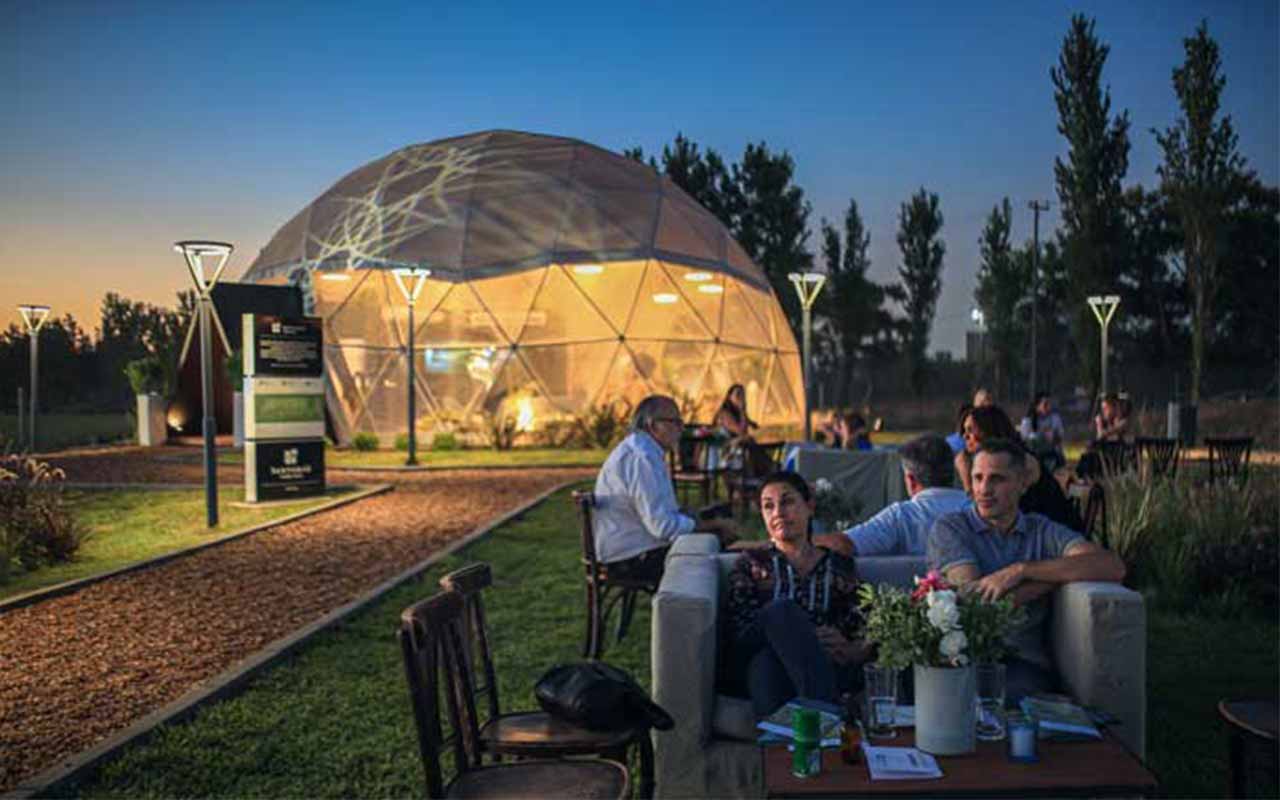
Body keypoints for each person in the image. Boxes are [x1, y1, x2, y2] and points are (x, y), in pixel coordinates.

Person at [928, 438, 1125, 702]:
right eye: (978, 478)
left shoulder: (1041, 530)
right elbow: (978, 604)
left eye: (997, 479)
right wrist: (1051, 581)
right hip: (961, 657)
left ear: (1022, 484)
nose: (984, 489)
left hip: (1022, 664)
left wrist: (1021, 570)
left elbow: (1112, 566)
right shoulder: (950, 528)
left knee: (1006, 699)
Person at [723, 471, 871, 717]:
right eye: (768, 506)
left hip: (814, 667)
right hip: (752, 655)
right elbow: (739, 628)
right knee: (780, 612)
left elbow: (865, 622)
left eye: (787, 502)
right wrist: (802, 635)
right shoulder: (752, 562)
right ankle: (825, 716)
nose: (778, 513)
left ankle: (789, 736)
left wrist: (849, 646)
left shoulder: (838, 566)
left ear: (810, 507)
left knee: (767, 667)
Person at [593, 395, 738, 584]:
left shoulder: (643, 450)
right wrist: (712, 526)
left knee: (719, 524)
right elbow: (662, 527)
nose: (681, 429)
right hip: (631, 558)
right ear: (653, 426)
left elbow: (665, 515)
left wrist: (703, 520)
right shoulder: (642, 458)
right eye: (675, 422)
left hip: (635, 548)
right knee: (716, 555)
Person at [814, 435, 969, 557]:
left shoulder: (901, 516)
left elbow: (843, 544)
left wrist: (803, 541)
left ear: (910, 479)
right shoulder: (975, 508)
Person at [954, 405, 1084, 531]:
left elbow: (989, 513)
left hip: (1055, 535)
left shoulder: (1022, 462)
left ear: (987, 429)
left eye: (970, 430)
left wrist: (967, 481)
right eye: (964, 431)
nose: (965, 436)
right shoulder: (997, 460)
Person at [1020, 392, 1066, 473]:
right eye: (1045, 404)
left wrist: (1054, 437)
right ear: (1036, 406)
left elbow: (1060, 436)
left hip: (1051, 453)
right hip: (1034, 453)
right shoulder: (1028, 421)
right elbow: (1025, 439)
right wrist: (1042, 435)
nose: (1049, 407)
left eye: (1050, 404)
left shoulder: (1055, 418)